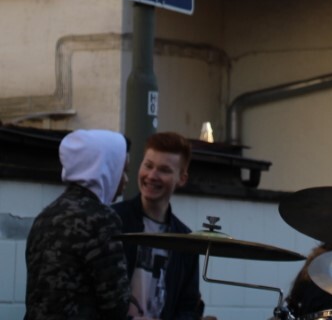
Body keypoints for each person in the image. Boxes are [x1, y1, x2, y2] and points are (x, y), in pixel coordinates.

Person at [24, 128, 132, 320]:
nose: (125, 179)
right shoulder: (101, 218)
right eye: (122, 170)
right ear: (104, 168)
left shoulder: (45, 216)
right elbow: (116, 305)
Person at [112, 131, 203, 319]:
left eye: (164, 170)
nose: (152, 175)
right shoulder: (113, 220)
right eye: (148, 165)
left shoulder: (187, 241)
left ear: (182, 178)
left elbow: (188, 305)